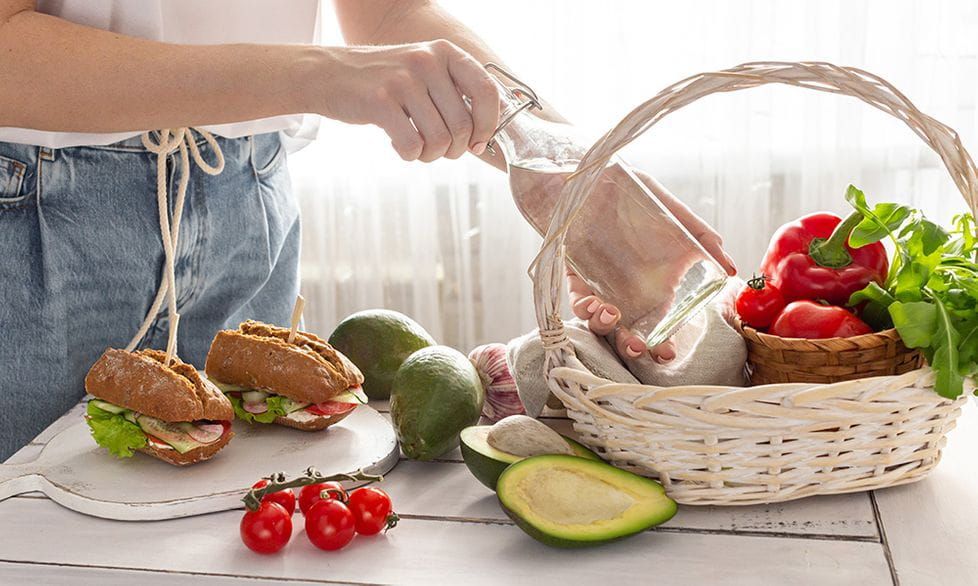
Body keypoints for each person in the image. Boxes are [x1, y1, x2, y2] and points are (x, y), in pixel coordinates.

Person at [0, 0, 733, 460]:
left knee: (229, 535)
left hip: (247, 198)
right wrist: (318, 72)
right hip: (42, 220)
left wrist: (563, 155)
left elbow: (387, 13)